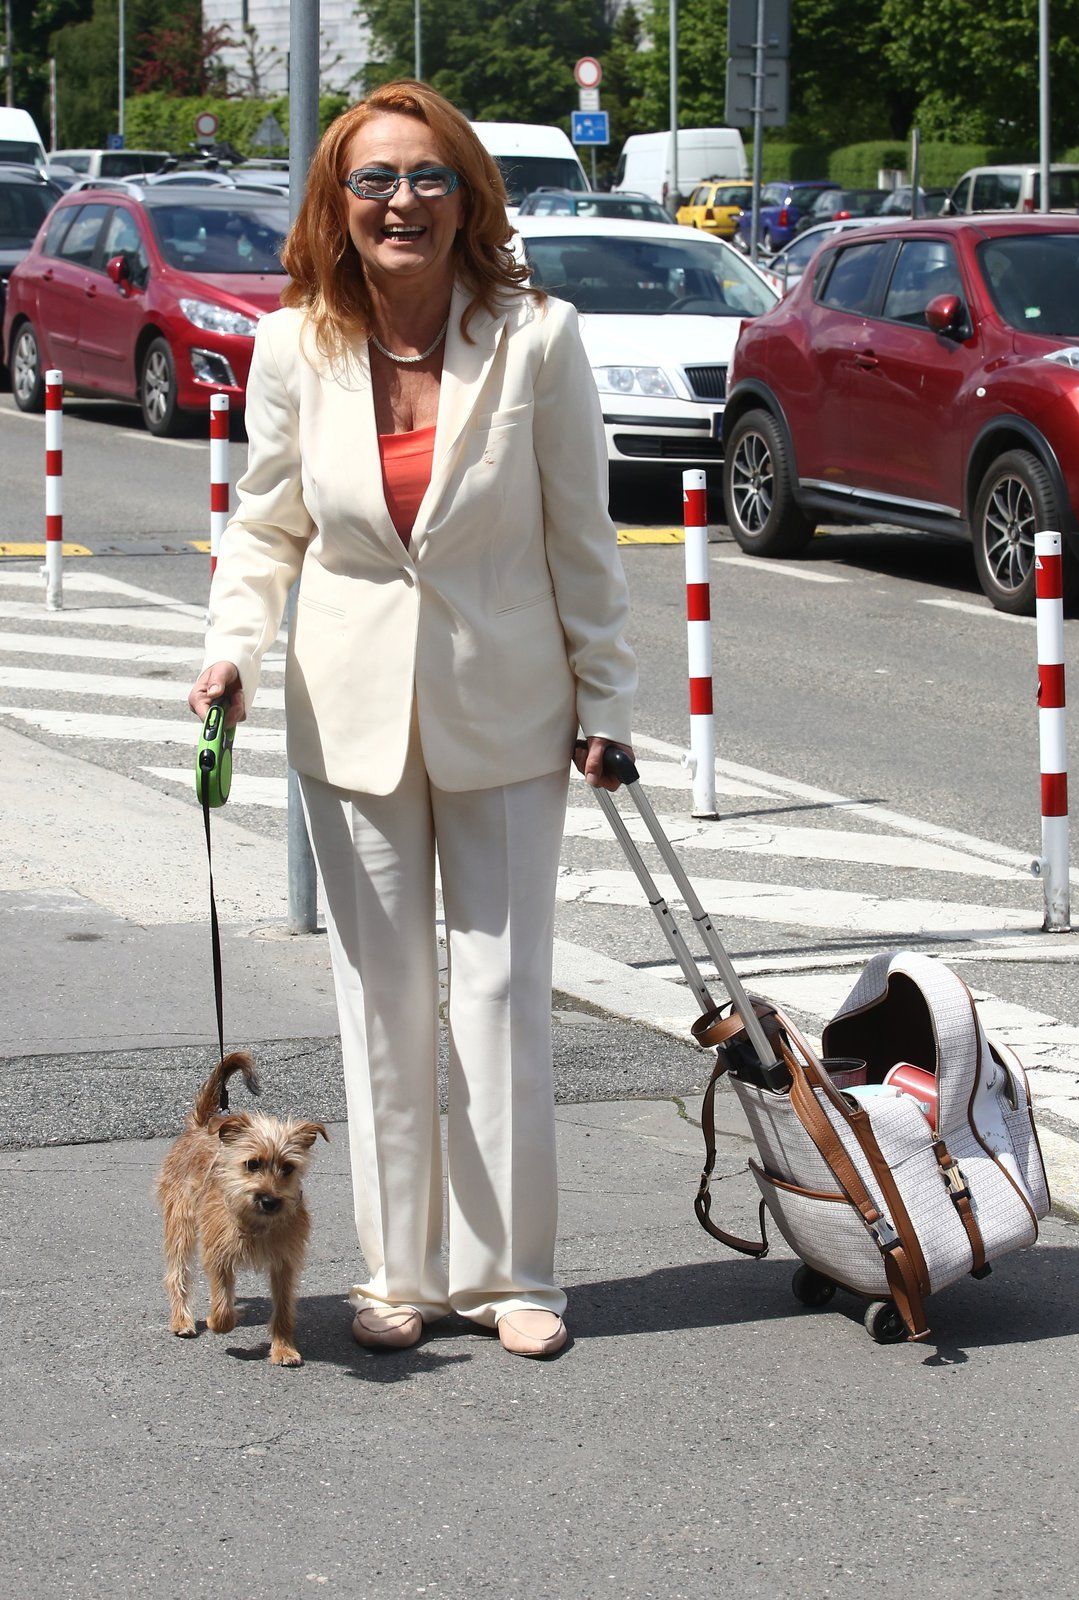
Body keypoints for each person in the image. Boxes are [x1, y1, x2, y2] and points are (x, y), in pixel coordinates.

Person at [188, 81, 636, 1361]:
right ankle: (396, 1271)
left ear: (468, 199)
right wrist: (229, 652)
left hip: (509, 711)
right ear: (338, 202)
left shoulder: (537, 339)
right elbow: (267, 525)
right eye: (375, 180)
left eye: (428, 178)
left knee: (499, 999)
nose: (402, 202)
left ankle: (514, 1273)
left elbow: (584, 540)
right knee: (381, 1003)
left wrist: (606, 701)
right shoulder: (295, 348)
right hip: (351, 709)